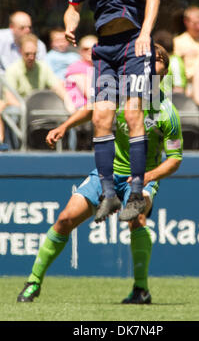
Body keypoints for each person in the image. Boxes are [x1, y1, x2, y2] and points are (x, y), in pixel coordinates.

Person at [16, 43, 183, 304]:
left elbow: (175, 160)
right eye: (148, 58)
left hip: (141, 178)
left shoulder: (167, 112)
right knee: (64, 220)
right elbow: (93, 109)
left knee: (137, 219)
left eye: (158, 59)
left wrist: (149, 177)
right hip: (106, 174)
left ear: (163, 71)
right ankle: (33, 282)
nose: (152, 62)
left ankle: (141, 290)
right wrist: (65, 126)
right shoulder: (119, 95)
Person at [64, 0, 160, 223]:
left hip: (134, 44)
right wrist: (70, 25)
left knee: (133, 115)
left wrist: (145, 34)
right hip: (105, 50)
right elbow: (73, 5)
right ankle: (108, 195)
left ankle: (135, 192)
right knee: (101, 117)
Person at [4, 33, 73, 111]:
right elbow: (9, 98)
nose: (31, 57)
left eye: (34, 54)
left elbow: (57, 87)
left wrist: (69, 102)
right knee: (13, 110)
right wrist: (26, 110)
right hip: (21, 110)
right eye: (27, 54)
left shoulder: (43, 67)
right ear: (20, 51)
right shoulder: (12, 70)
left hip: (39, 109)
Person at [65, 34, 97, 113]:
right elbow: (90, 93)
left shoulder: (99, 67)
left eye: (94, 48)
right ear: (80, 51)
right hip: (79, 109)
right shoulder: (76, 67)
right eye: (85, 49)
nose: (90, 51)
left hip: (94, 107)